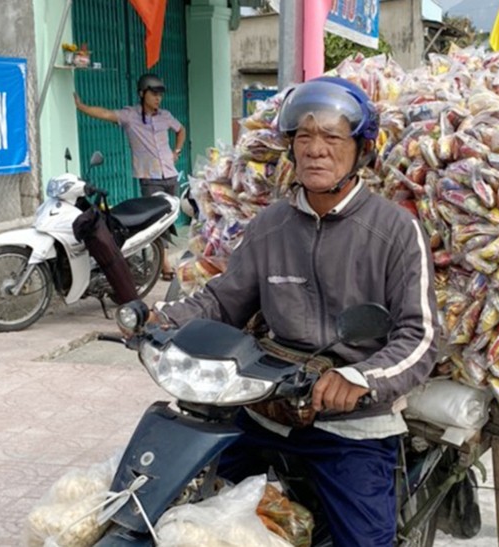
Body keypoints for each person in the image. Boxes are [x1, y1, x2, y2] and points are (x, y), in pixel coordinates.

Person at [147, 76, 439, 546]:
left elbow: (419, 335)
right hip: (267, 408)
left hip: (352, 423)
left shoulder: (396, 230)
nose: (315, 150)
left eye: (331, 137)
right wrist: (159, 321)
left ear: (361, 149)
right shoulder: (271, 225)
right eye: (304, 137)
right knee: (183, 504)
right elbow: (224, 300)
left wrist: (361, 378)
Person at [74, 73, 185, 281]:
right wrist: (82, 107)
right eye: (153, 94)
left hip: (170, 175)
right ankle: (165, 265)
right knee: (154, 222)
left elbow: (181, 130)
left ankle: (160, 260)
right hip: (150, 178)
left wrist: (176, 151)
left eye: (160, 95)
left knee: (168, 220)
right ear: (142, 94)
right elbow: (106, 114)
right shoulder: (130, 116)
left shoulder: (165, 115)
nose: (158, 98)